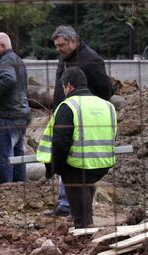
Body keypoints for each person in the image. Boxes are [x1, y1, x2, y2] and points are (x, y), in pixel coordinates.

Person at [36, 67, 117, 229]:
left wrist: (57, 168)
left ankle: (84, 228)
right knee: (86, 186)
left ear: (68, 86)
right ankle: (85, 219)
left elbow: (60, 142)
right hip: (103, 164)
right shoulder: (107, 105)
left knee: (77, 190)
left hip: (77, 167)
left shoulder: (68, 106)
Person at [48, 25, 113, 217]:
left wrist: (88, 109)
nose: (58, 49)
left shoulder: (91, 59)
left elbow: (105, 90)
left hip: (81, 120)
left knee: (76, 164)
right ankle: (66, 204)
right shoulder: (65, 58)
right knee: (67, 159)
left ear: (73, 41)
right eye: (56, 46)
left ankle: (76, 210)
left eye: (61, 45)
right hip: (64, 115)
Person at [0, 32, 30, 184]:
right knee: (18, 155)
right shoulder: (17, 60)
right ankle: (19, 187)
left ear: (2, 46)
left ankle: (6, 189)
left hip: (7, 116)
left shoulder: (6, 62)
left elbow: (8, 79)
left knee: (4, 157)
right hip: (20, 115)